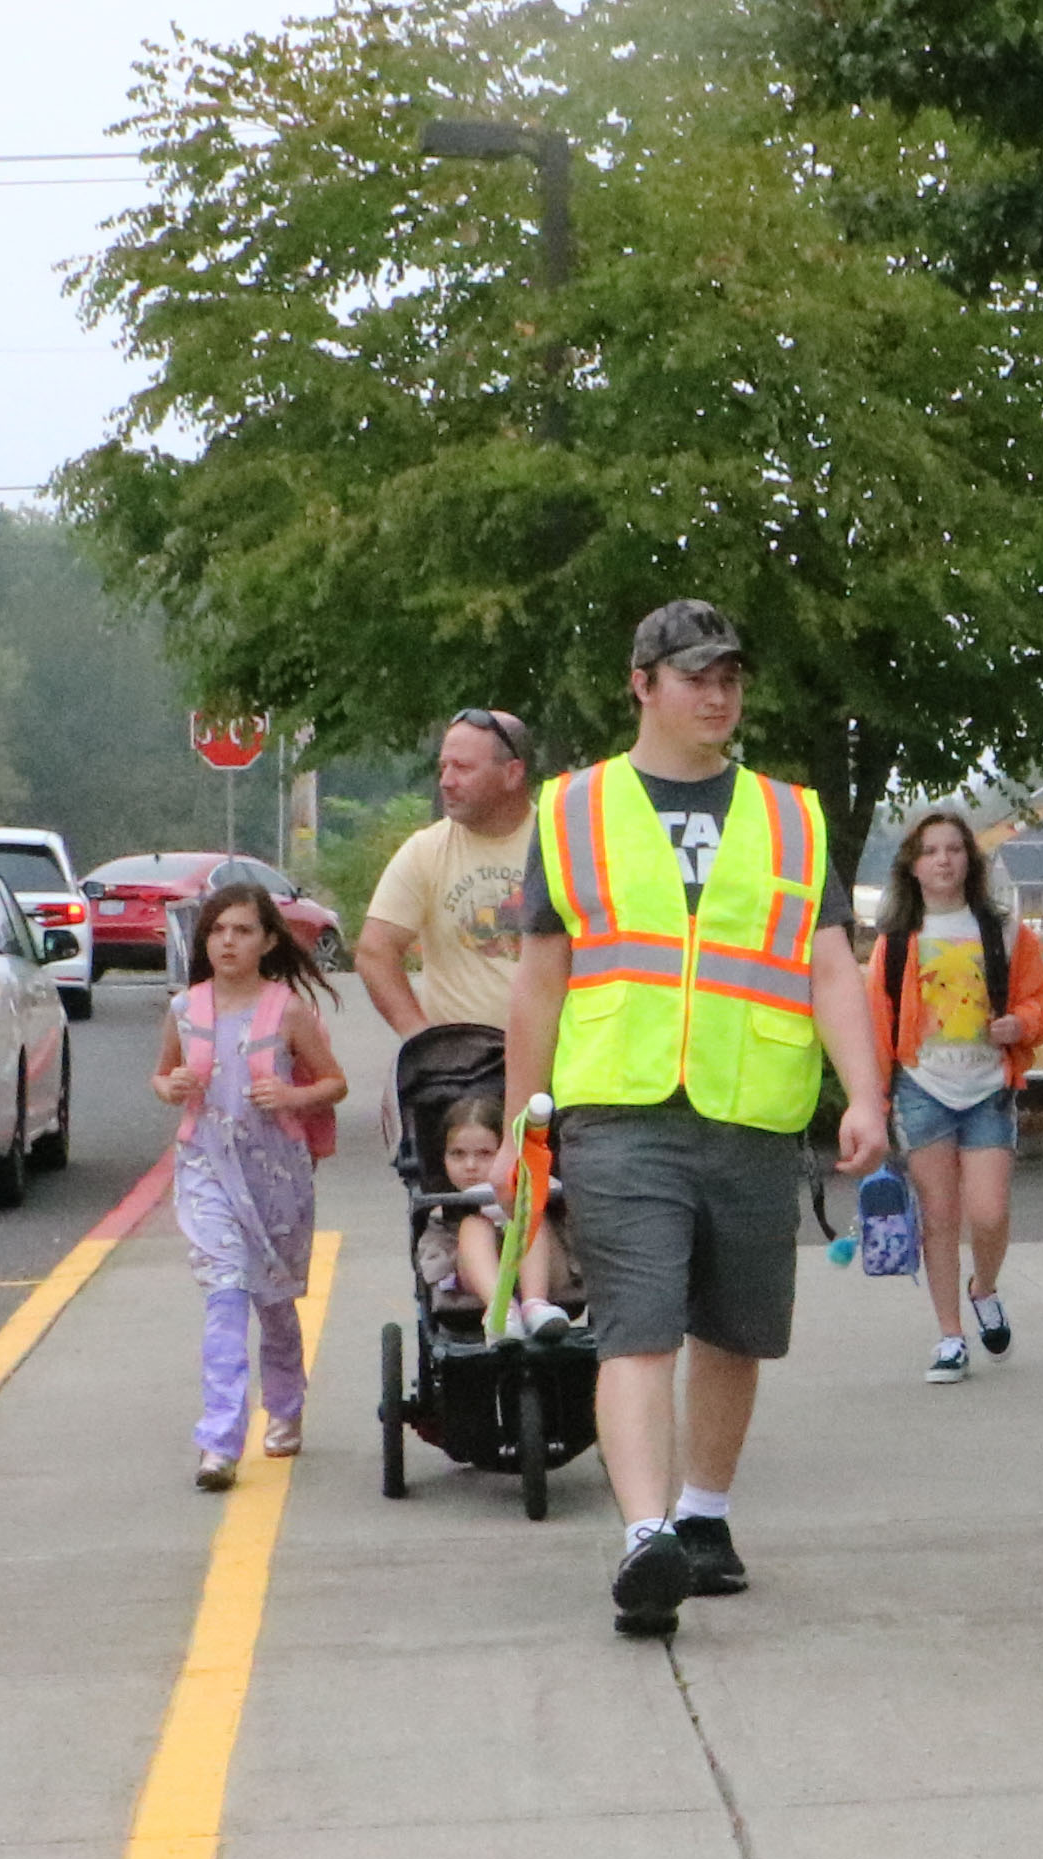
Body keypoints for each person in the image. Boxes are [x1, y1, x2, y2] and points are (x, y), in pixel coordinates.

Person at [505, 599, 896, 1639]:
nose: (716, 693)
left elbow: (827, 964)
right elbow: (540, 978)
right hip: (618, 1106)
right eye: (692, 675)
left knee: (734, 1327)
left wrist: (864, 1093)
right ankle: (646, 1537)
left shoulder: (792, 816)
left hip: (753, 1108)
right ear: (641, 684)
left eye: (728, 675)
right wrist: (520, 1125)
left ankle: (704, 1514)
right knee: (636, 1323)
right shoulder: (573, 809)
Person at [158, 877, 350, 1489]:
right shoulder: (186, 1009)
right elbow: (162, 1076)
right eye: (217, 930)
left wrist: (291, 1094)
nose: (228, 942)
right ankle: (219, 1440)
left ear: (269, 941)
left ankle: (286, 1406)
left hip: (276, 1175)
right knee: (226, 1291)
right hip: (205, 1168)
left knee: (274, 1300)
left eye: (243, 930)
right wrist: (173, 1087)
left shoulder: (287, 1010)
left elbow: (334, 1082)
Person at [871, 806, 1043, 1383]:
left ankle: (985, 1287)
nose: (943, 860)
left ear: (969, 862)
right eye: (931, 852)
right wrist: (875, 1103)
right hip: (922, 1087)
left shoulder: (1002, 929)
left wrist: (1021, 1025)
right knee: (940, 1216)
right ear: (914, 867)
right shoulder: (897, 941)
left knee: (989, 1211)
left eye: (953, 849)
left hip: (988, 1088)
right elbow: (877, 1020)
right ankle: (950, 1336)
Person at [366, 707, 538, 1037]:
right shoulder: (426, 850)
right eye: (443, 767)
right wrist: (422, 1041)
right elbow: (376, 950)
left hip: (552, 1061)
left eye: (462, 768)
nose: (446, 782)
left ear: (512, 774)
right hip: (463, 1067)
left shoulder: (560, 843)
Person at [433, 1095, 559, 1332]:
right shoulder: (439, 1212)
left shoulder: (536, 1181)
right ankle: (502, 1309)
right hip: (475, 1281)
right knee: (473, 1225)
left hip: (548, 1271)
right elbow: (433, 1267)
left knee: (529, 1216)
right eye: (458, 1154)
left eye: (485, 1154)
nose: (470, 1165)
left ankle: (535, 1305)